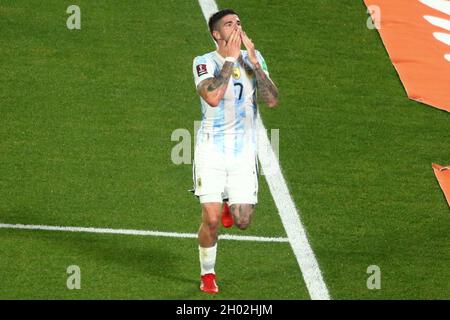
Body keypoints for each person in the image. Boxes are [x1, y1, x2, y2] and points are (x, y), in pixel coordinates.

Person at [192, 8, 279, 294]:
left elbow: (272, 100)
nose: (237, 27)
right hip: (212, 149)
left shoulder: (254, 58)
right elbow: (213, 97)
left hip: (243, 151)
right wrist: (230, 60)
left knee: (242, 221)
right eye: (230, 24)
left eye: (239, 23)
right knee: (213, 219)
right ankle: (207, 275)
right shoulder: (204, 62)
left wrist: (254, 63)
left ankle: (230, 200)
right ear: (217, 34)